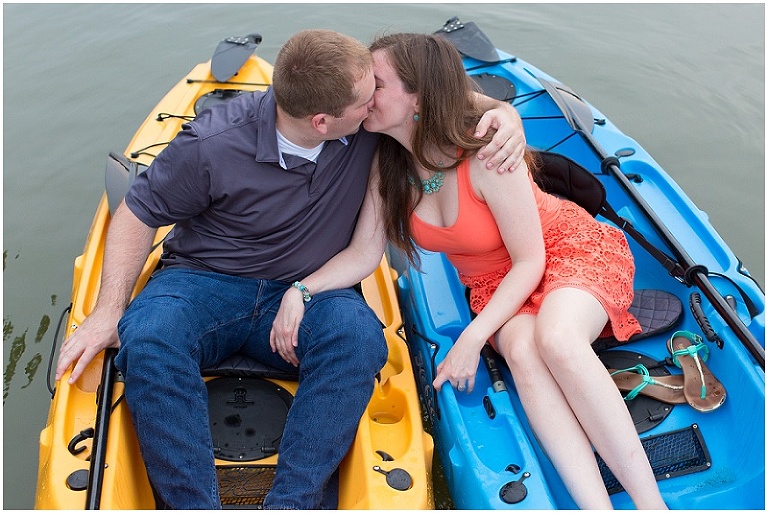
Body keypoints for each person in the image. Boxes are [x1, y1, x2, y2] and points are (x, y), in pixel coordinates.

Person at [54, 29, 526, 509]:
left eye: (375, 92)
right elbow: (138, 212)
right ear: (322, 121)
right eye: (365, 100)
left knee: (358, 339)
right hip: (202, 282)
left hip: (313, 287)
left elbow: (432, 93)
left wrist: (506, 115)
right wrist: (108, 310)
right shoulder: (213, 144)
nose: (373, 105)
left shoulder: (368, 127)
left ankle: (292, 503)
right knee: (149, 334)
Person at [353, 32, 668, 509]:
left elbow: (531, 259)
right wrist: (300, 290)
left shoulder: (487, 151)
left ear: (417, 96)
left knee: (557, 340)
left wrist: (471, 340)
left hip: (563, 248)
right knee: (522, 350)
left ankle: (651, 505)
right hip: (491, 283)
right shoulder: (388, 164)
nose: (362, 94)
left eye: (374, 83)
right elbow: (361, 255)